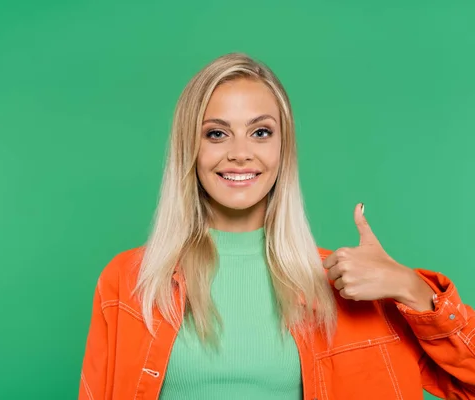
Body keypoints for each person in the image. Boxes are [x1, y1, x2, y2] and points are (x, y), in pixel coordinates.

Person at [79, 53, 475, 399]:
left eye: (260, 132)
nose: (239, 153)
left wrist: (410, 287)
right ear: (190, 148)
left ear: (283, 148)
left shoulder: (349, 287)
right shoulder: (128, 282)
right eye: (216, 134)